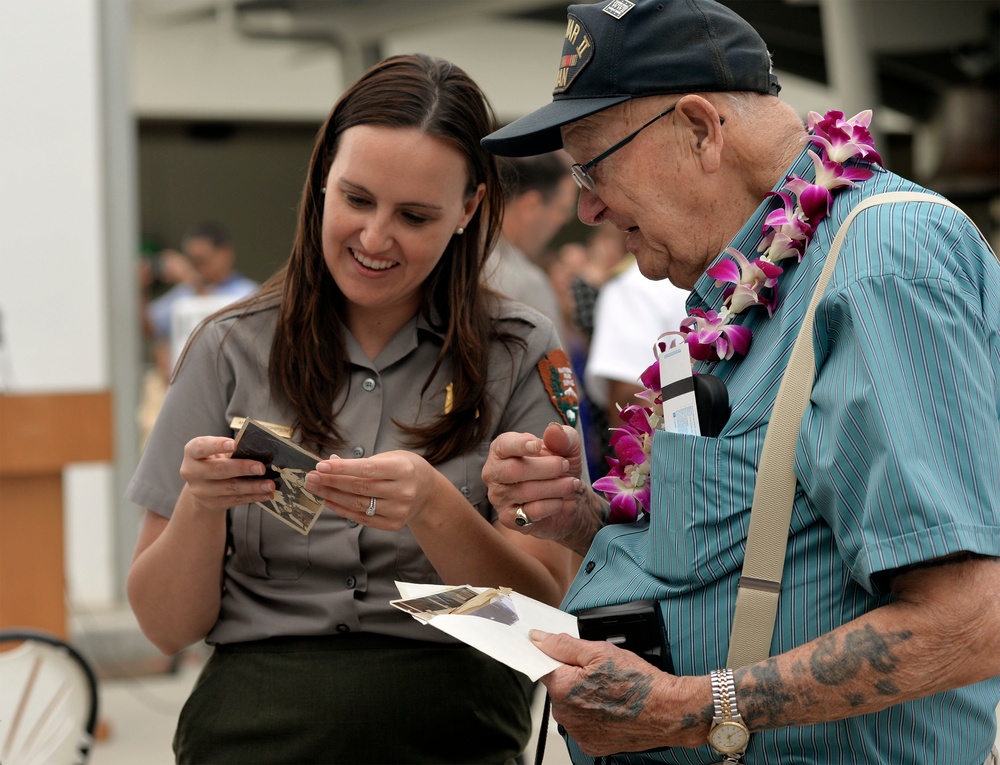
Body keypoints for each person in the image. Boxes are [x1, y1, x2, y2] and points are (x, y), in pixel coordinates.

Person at [480, 1, 1000, 763]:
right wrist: (585, 516)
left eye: (592, 165)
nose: (586, 206)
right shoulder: (743, 286)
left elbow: (970, 619)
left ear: (699, 127)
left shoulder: (884, 259)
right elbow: (752, 540)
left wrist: (686, 708)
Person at [126, 53, 581, 764]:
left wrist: (436, 509)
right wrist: (201, 505)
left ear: (469, 209)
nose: (374, 238)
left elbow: (537, 615)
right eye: (356, 199)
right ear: (319, 183)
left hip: (452, 725)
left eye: (414, 215)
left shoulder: (518, 352)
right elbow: (164, 625)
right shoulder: (229, 348)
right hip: (254, 728)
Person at [584, 255, 690, 444]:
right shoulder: (635, 284)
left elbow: (630, 403)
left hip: (684, 461)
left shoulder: (636, 283)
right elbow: (632, 401)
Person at [145, 221, 259, 381]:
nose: (197, 268)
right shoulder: (183, 292)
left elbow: (218, 322)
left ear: (226, 253)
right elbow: (151, 329)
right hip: (184, 385)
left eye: (202, 260)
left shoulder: (250, 293)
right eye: (192, 262)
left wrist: (191, 280)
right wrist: (141, 287)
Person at [487, 151, 579, 342]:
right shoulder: (527, 283)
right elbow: (556, 369)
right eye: (562, 210)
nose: (562, 223)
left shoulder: (452, 254)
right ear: (531, 206)